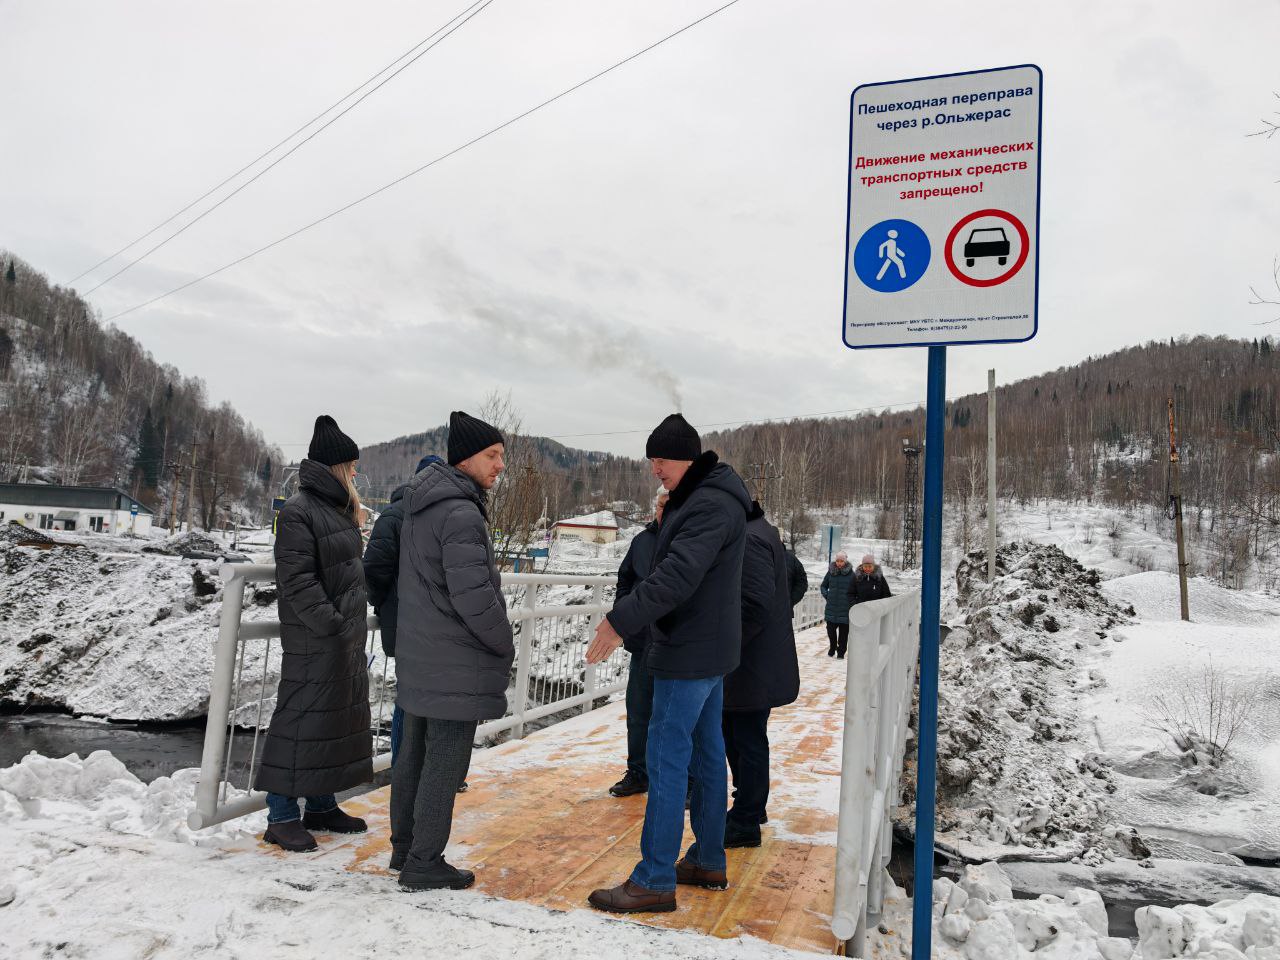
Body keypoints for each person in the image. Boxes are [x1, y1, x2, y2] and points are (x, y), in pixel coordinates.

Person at [584, 413, 751, 914]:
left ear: (686, 458)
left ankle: (654, 878)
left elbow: (676, 577)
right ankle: (707, 858)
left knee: (665, 758)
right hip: (707, 650)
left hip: (688, 652)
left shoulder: (708, 506)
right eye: (652, 461)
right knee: (705, 754)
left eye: (660, 460)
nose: (655, 469)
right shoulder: (710, 498)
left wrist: (619, 621)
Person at [390, 411, 513, 892]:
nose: (500, 465)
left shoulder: (424, 503)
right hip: (454, 658)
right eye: (493, 455)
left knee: (412, 757)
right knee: (444, 761)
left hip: (422, 652)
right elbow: (474, 595)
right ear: (467, 458)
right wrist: (503, 639)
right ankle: (424, 861)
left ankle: (404, 850)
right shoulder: (460, 511)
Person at [257, 415, 373, 853]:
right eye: (352, 465)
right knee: (300, 723)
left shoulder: (336, 511)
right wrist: (335, 626)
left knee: (333, 722)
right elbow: (299, 582)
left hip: (341, 639)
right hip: (316, 638)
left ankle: (321, 806)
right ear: (335, 467)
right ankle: (281, 815)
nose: (357, 472)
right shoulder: (298, 512)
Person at [722, 500, 799, 848]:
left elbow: (752, 604)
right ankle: (749, 808)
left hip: (748, 662)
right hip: (756, 660)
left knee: (745, 738)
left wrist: (723, 647)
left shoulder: (750, 539)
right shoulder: (762, 532)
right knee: (742, 735)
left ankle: (746, 819)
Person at [362, 454, 442, 767]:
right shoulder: (406, 516)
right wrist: (385, 605)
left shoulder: (394, 515)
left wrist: (385, 605)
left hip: (415, 624)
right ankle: (406, 767)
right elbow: (375, 571)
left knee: (418, 701)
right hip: (416, 626)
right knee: (415, 701)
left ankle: (414, 768)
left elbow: (375, 572)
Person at [607, 487, 669, 798]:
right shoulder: (643, 541)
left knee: (677, 715)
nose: (662, 509)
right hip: (644, 642)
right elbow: (625, 578)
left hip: (677, 644)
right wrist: (624, 612)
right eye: (659, 504)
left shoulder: (690, 541)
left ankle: (684, 779)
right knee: (639, 710)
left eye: (668, 504)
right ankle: (638, 772)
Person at [821, 552, 855, 658]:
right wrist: (827, 595)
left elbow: (855, 590)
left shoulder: (851, 574)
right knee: (830, 631)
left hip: (845, 609)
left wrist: (851, 600)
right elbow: (823, 586)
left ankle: (841, 653)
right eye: (838, 561)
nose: (839, 563)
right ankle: (832, 647)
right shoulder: (830, 572)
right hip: (831, 608)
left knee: (843, 635)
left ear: (845, 561)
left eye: (841, 561)